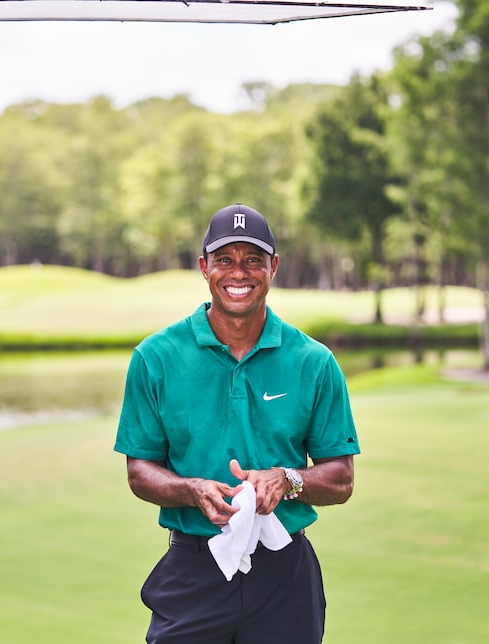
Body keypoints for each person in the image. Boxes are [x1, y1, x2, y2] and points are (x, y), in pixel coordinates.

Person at [113, 203, 360, 643]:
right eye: (225, 260)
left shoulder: (313, 361)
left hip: (284, 575)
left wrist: (287, 479)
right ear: (204, 267)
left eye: (253, 260)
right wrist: (191, 489)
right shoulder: (156, 357)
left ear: (274, 267)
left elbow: (340, 478)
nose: (238, 273)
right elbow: (140, 470)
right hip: (194, 568)